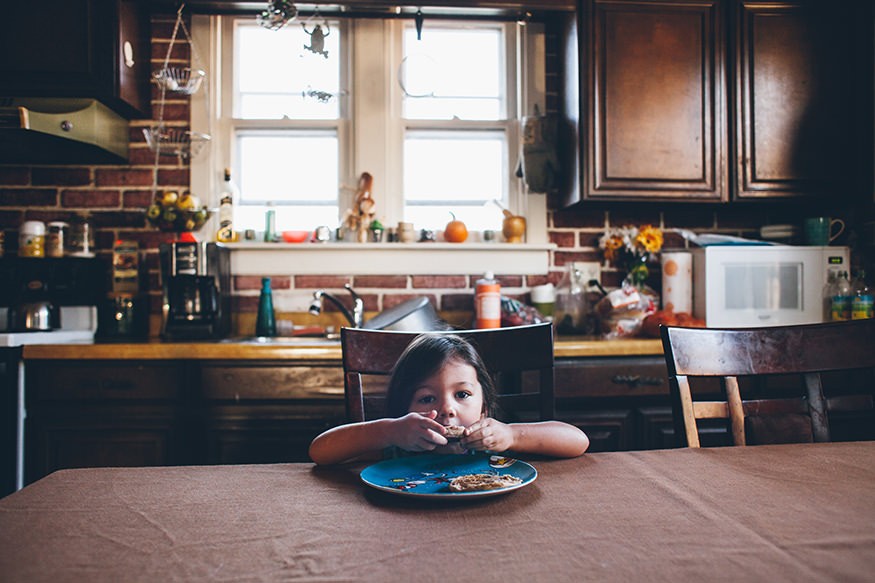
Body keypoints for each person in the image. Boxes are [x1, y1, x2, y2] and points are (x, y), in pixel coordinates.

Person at [309, 333, 589, 465]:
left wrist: (512, 435)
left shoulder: (494, 445)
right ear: (404, 409)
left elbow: (578, 441)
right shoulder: (396, 448)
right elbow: (319, 451)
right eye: (427, 398)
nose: (447, 409)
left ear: (484, 408)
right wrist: (388, 431)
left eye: (463, 395)